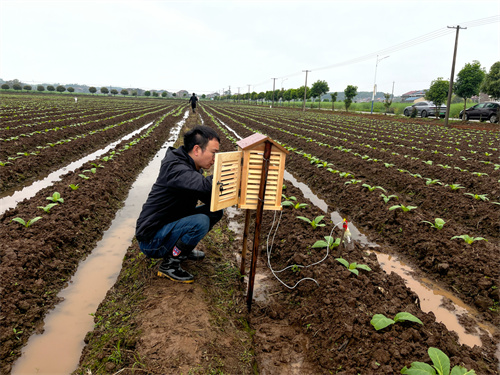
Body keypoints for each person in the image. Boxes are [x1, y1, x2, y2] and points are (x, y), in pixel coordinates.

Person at [135, 125, 223, 283]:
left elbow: (207, 194)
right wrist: (229, 172)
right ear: (197, 150)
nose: (215, 159)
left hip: (169, 224)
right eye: (213, 153)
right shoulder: (175, 167)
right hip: (151, 239)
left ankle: (182, 249)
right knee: (200, 221)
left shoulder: (191, 166)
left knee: (215, 211)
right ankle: (170, 265)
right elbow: (203, 186)